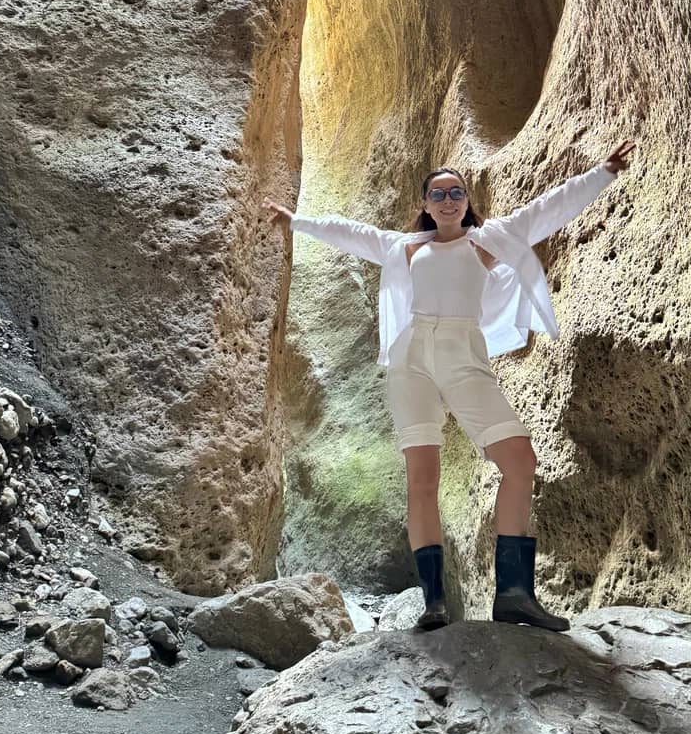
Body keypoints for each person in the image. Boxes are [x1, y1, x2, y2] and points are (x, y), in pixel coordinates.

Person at [263, 139, 636, 633]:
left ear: (466, 200)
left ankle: (514, 594)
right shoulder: (406, 247)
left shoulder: (486, 241)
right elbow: (351, 233)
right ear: (425, 203)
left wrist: (602, 173)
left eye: (455, 192)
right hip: (413, 357)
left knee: (520, 460)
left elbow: (545, 211)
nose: (447, 200)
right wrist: (297, 221)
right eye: (437, 194)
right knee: (422, 479)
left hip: (464, 354)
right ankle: (434, 604)